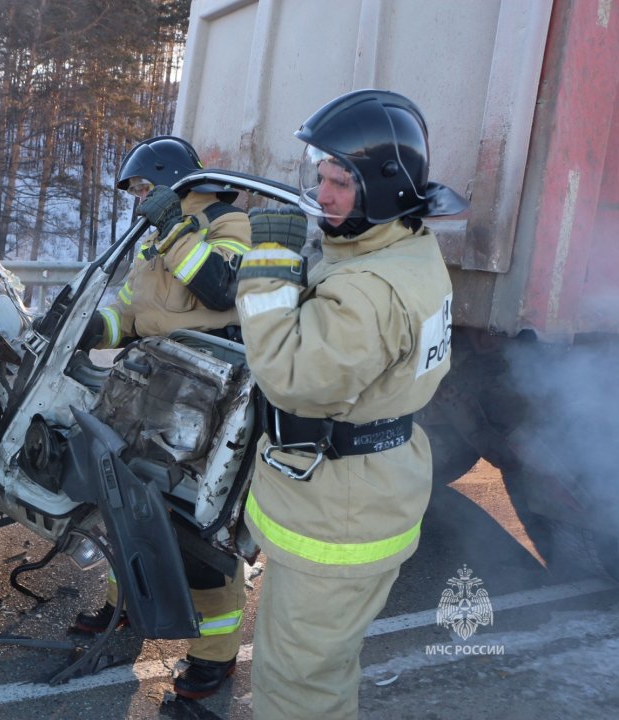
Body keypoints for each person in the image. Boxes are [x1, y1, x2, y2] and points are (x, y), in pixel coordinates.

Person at [235, 89, 465, 719]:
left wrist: (266, 266)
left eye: (342, 182)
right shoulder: (403, 250)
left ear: (385, 190)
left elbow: (290, 377)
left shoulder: (370, 291)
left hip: (336, 515)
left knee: (296, 686)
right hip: (360, 492)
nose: (324, 194)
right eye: (321, 176)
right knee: (323, 666)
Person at [73, 135, 251, 700]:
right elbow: (129, 311)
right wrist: (90, 330)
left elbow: (222, 287)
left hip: (204, 395)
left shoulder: (228, 225)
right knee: (126, 502)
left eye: (147, 187)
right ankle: (122, 606)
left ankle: (214, 655)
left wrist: (177, 227)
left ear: (174, 179)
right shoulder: (156, 241)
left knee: (197, 530)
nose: (140, 199)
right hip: (148, 384)